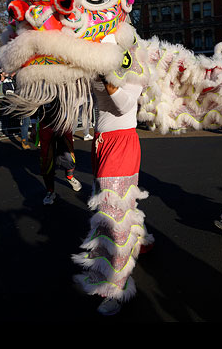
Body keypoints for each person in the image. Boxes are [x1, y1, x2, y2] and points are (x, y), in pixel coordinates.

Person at [72, 76, 154, 317]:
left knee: (112, 215)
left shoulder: (136, 62)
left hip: (122, 143)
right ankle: (141, 239)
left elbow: (126, 105)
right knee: (113, 204)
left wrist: (108, 78)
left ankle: (115, 288)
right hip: (101, 142)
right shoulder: (97, 57)